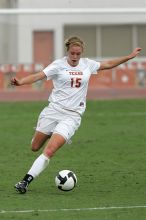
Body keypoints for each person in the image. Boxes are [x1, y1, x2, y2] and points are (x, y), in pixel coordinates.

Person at [11, 36, 141, 194]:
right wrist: (20, 82)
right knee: (35, 147)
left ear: (82, 53)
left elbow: (108, 64)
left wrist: (128, 57)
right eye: (72, 53)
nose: (74, 57)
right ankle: (52, 131)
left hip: (72, 116)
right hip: (53, 111)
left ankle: (25, 182)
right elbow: (38, 76)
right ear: (68, 51)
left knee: (50, 150)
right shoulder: (58, 65)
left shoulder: (87, 64)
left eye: (78, 54)